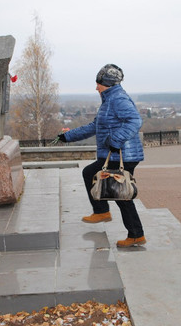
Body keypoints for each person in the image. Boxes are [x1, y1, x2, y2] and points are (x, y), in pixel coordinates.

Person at [56, 64, 146, 247]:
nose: (96, 87)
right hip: (113, 154)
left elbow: (135, 121)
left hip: (121, 154)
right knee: (92, 175)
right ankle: (103, 212)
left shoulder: (118, 99)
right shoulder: (109, 100)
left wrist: (115, 140)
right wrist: (68, 136)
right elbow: (94, 126)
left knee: (121, 194)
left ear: (107, 83)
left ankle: (134, 233)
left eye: (99, 84)